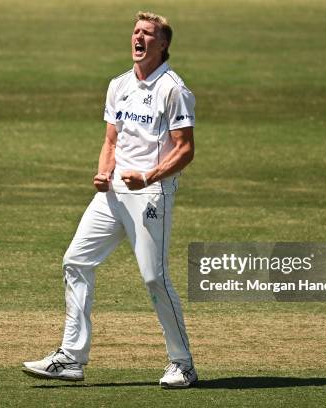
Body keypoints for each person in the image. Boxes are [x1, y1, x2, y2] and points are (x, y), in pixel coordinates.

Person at [22, 11, 197, 389]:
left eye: (148, 34)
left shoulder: (173, 89)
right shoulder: (118, 85)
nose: (139, 38)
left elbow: (185, 150)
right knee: (76, 261)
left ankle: (182, 364)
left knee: (155, 277)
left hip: (151, 193)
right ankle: (71, 358)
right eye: (136, 32)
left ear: (163, 44)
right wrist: (103, 173)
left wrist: (148, 176)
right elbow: (111, 141)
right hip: (113, 193)